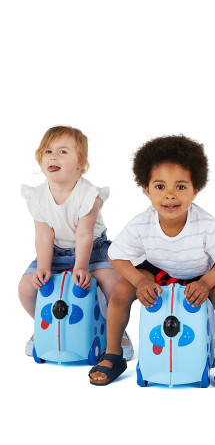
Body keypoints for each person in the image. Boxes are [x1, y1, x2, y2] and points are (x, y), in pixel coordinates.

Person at [88, 135, 215, 391]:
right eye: (160, 186)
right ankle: (113, 354)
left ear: (195, 190)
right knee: (122, 289)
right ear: (147, 190)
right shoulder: (142, 223)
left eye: (181, 187)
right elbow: (116, 255)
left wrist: (206, 283)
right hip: (158, 272)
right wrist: (139, 281)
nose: (170, 195)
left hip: (200, 274)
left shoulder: (207, 225)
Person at [18, 126, 132, 359]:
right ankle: (43, 325)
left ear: (81, 164)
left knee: (115, 285)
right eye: (48, 151)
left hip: (94, 250)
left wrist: (81, 267)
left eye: (63, 152)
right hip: (55, 252)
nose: (53, 157)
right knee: (26, 288)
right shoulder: (37, 196)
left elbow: (84, 235)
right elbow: (43, 236)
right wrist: (44, 267)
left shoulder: (88, 194)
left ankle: (118, 331)